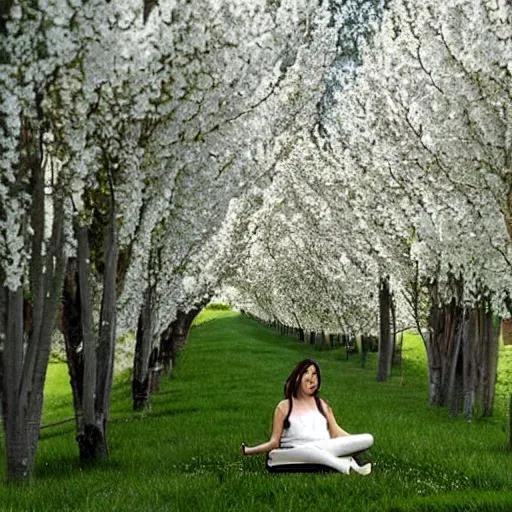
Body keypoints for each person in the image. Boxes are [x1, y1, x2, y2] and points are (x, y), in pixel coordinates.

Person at [240, 358, 374, 475]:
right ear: (297, 377)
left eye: (314, 374)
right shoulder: (284, 406)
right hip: (296, 450)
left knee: (368, 438)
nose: (311, 378)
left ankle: (339, 461)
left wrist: (353, 444)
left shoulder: (322, 404)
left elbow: (336, 432)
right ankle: (346, 466)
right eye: (306, 372)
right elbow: (274, 442)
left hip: (325, 446)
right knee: (289, 453)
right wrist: (249, 450)